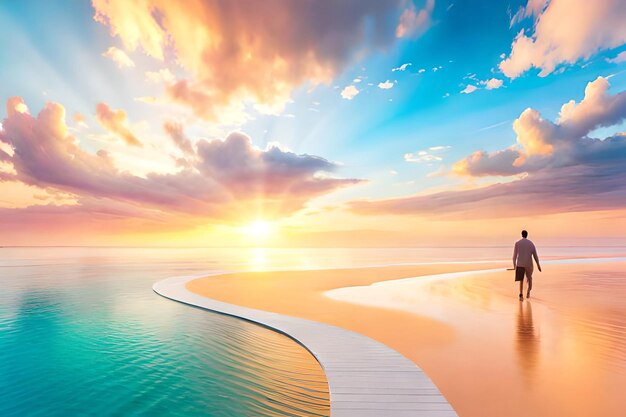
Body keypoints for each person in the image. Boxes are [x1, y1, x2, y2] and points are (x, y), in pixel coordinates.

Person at [513, 230, 541, 300]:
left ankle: (521, 295)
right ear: (527, 235)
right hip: (529, 264)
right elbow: (535, 256)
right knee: (529, 278)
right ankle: (528, 291)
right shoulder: (531, 244)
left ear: (521, 234)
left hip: (520, 264)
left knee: (521, 280)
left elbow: (514, 256)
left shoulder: (517, 243)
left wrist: (514, 266)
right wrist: (538, 264)